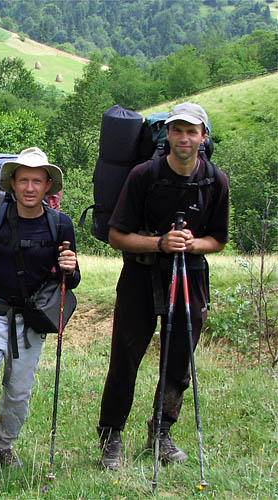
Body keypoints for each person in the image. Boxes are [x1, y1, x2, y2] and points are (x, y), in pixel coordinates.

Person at [97, 102, 230, 470]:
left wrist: (191, 244)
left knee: (178, 360)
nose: (184, 138)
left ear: (204, 136)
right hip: (140, 275)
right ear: (167, 134)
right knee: (125, 358)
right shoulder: (143, 175)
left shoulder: (215, 181)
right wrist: (159, 243)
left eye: (192, 131)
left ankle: (161, 433)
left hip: (190, 275)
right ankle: (111, 436)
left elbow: (218, 239)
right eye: (178, 130)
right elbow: (116, 235)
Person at [0, 147, 79, 490]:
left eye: (36, 181)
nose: (29, 187)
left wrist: (72, 268)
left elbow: (71, 277)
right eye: (23, 180)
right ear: (12, 183)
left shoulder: (60, 224)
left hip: (31, 325)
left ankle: (3, 446)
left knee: (18, 394)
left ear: (47, 186)